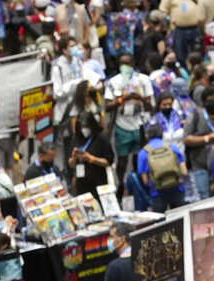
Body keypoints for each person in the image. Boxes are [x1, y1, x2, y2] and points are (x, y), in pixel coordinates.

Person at [106, 52, 153, 190]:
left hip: (139, 125)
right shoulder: (113, 82)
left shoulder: (143, 80)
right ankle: (121, 185)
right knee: (122, 160)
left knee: (139, 157)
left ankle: (140, 184)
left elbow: (150, 105)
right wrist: (122, 99)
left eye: (128, 63)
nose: (125, 66)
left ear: (133, 64)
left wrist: (140, 97)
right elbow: (107, 106)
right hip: (122, 126)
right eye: (122, 64)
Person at [137, 123, 187, 213]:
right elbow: (184, 172)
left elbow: (145, 181)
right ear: (162, 134)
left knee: (160, 223)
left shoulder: (143, 153)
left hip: (157, 192)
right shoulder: (172, 147)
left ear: (147, 136)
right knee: (181, 219)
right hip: (177, 189)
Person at [69, 111, 115, 200]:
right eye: (81, 126)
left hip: (98, 181)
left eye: (86, 126)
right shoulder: (76, 138)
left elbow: (108, 161)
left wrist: (90, 158)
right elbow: (71, 163)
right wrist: (75, 157)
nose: (84, 129)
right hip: (81, 182)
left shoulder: (101, 139)